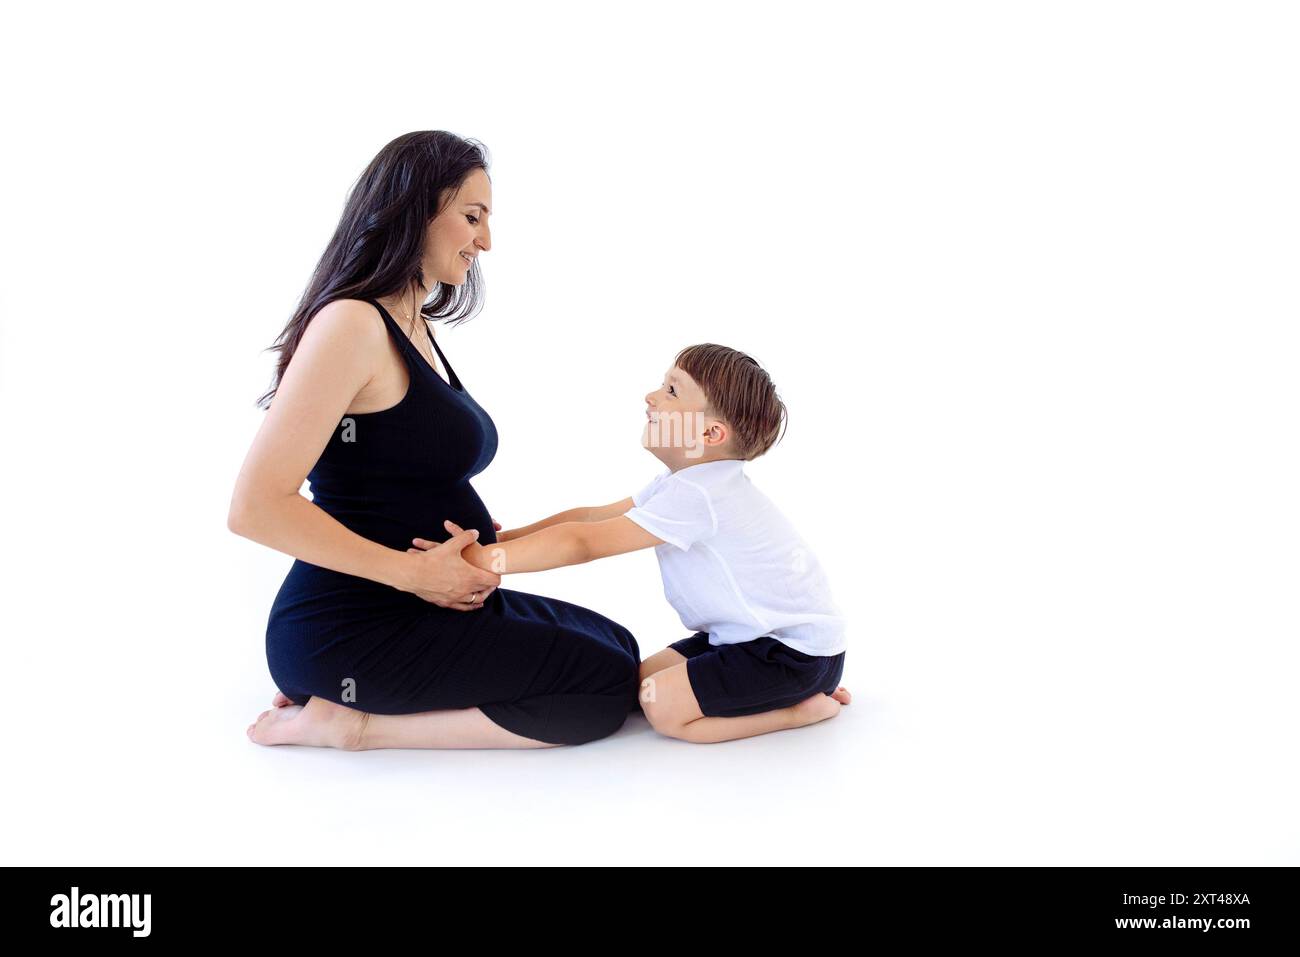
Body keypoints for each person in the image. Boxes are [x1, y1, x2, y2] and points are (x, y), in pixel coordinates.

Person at [228, 131, 641, 750]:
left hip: (430, 604)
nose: (487, 240)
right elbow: (255, 507)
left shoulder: (411, 322)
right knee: (600, 687)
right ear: (413, 209)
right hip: (354, 625)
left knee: (622, 650)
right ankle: (352, 722)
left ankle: (358, 697)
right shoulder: (351, 324)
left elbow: (397, 469)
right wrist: (412, 574)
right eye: (472, 217)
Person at [413, 343, 851, 744]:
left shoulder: (701, 495)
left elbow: (583, 543)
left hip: (792, 653)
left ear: (710, 435)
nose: (651, 396)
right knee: (644, 681)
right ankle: (789, 693)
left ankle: (799, 711)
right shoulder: (683, 482)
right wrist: (499, 538)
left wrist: (480, 560)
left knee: (663, 709)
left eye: (673, 392)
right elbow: (589, 517)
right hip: (747, 640)